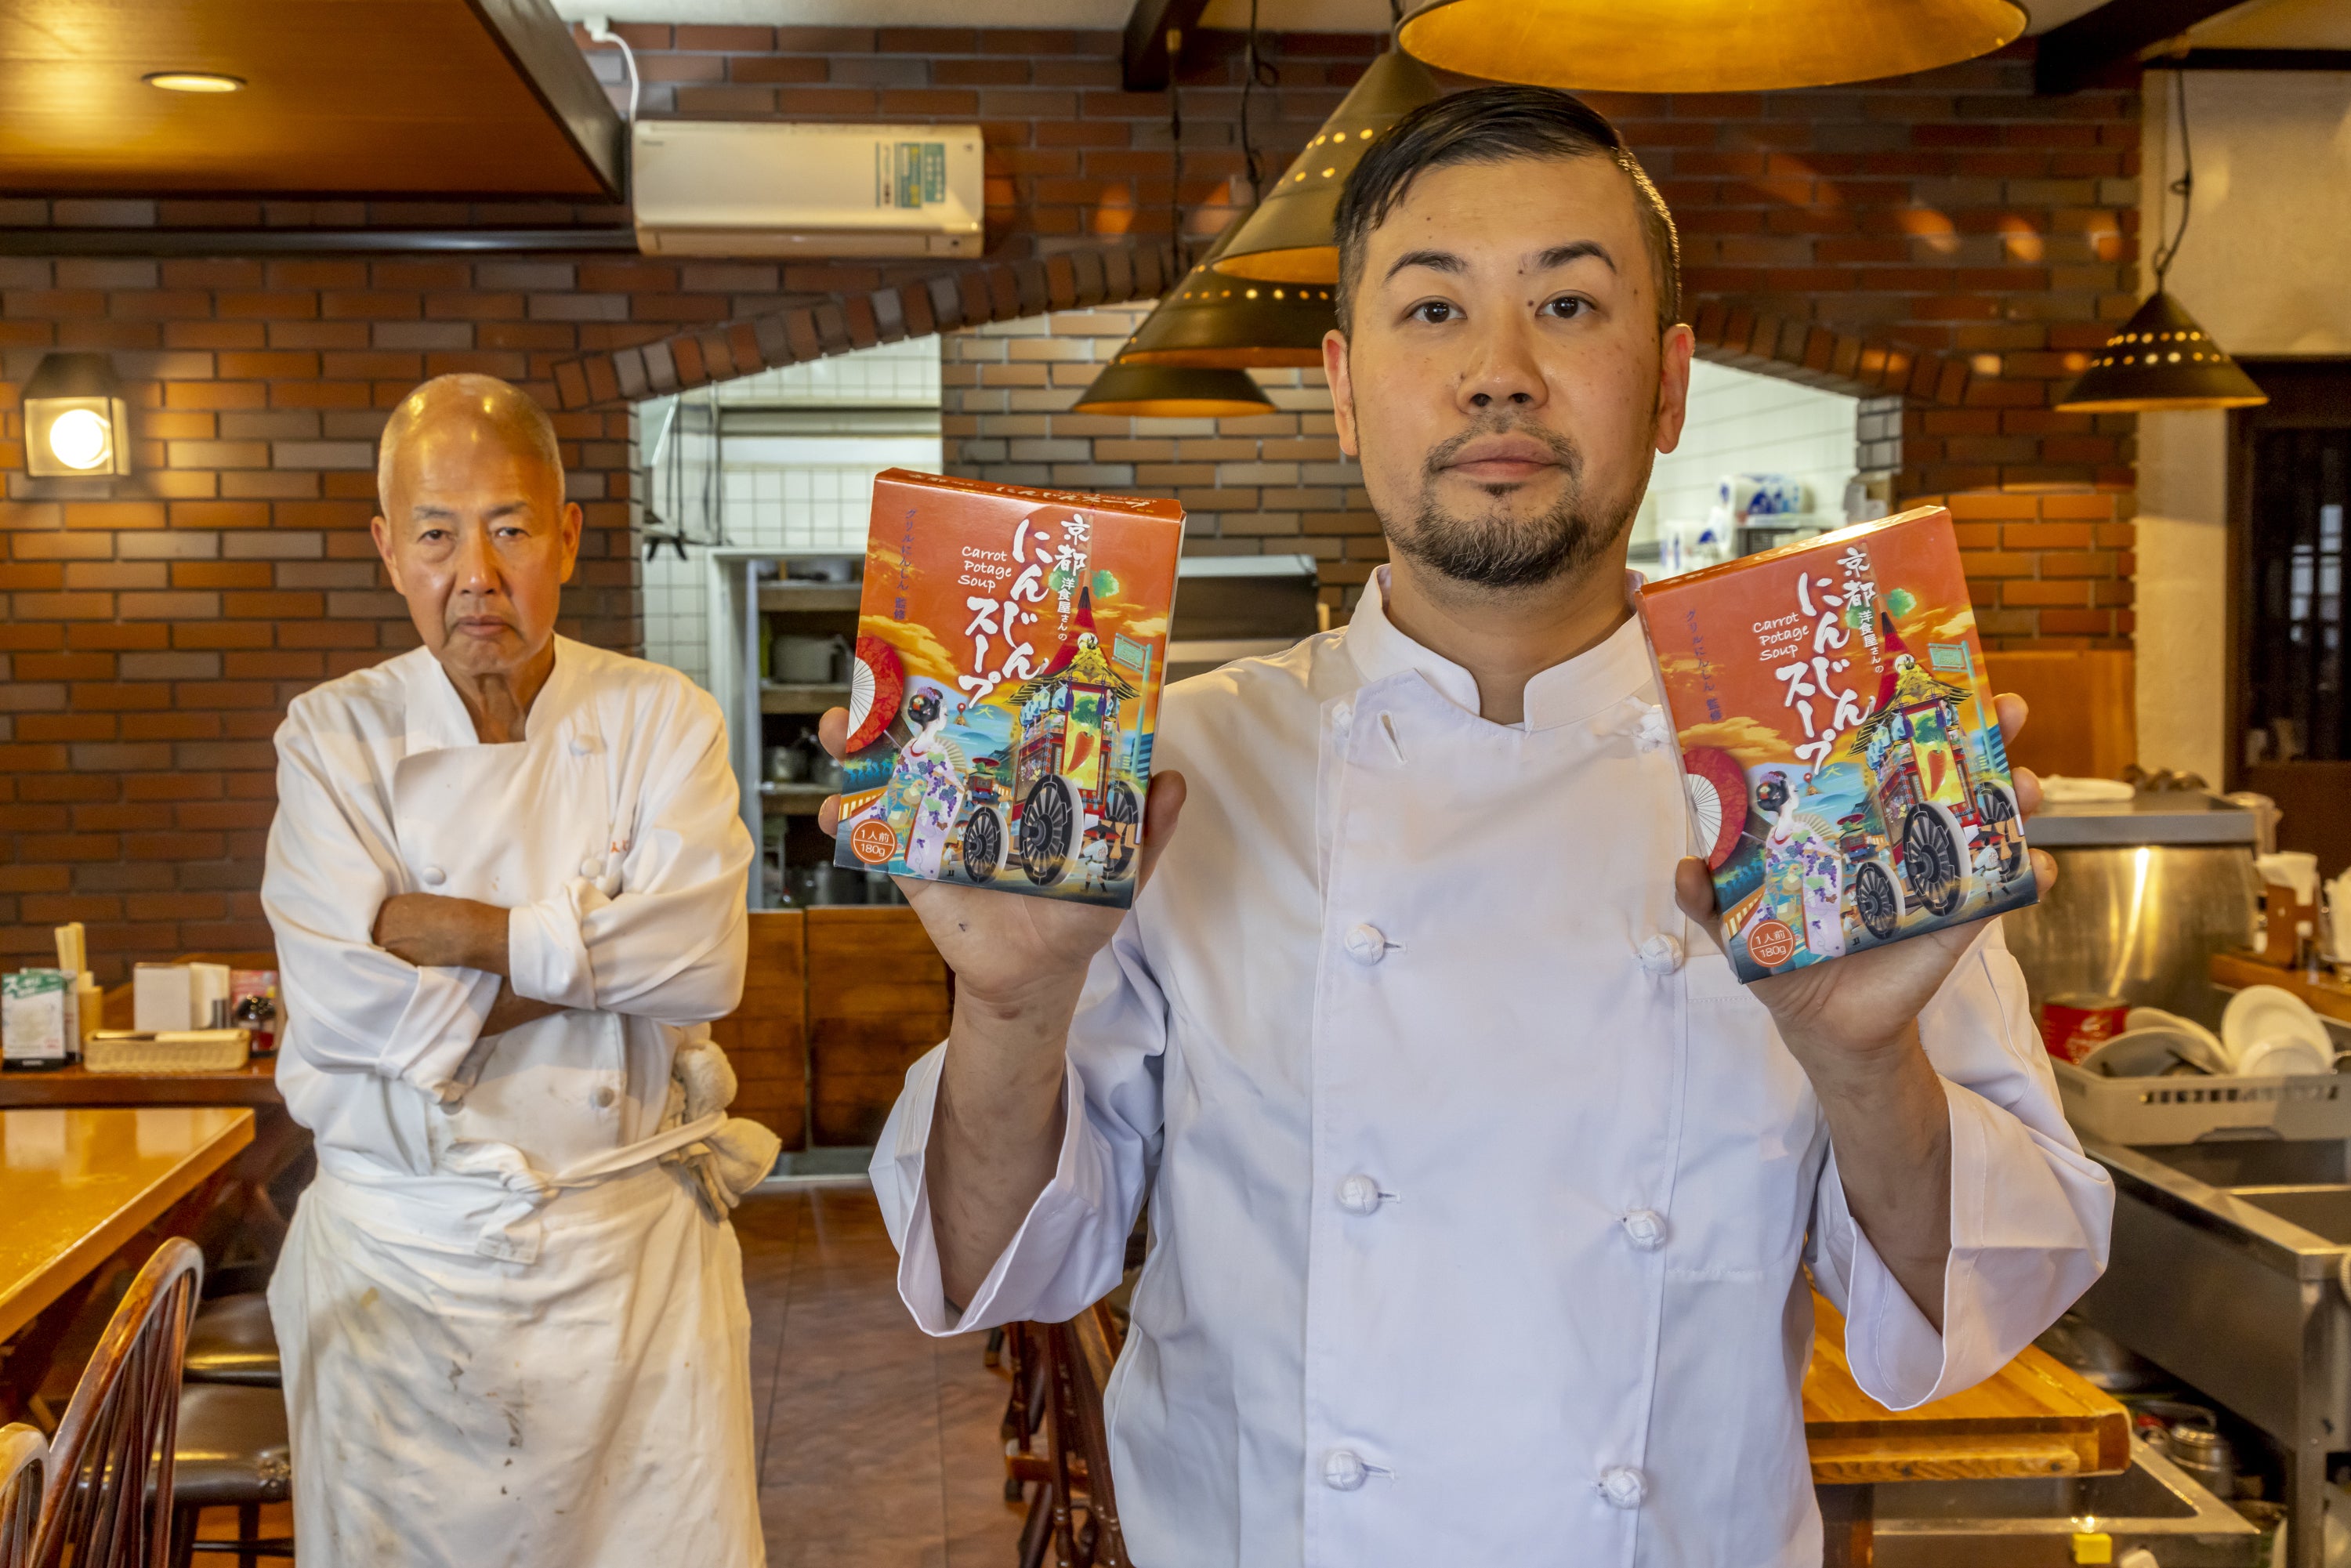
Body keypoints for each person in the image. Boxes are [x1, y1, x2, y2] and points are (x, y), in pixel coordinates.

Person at [831, 88, 2113, 1563]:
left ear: (1670, 383)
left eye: (1568, 304)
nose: (1501, 373)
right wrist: (1007, 1005)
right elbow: (993, 1271)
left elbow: (1978, 1297)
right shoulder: (1176, 768)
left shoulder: (1826, 777)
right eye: (1433, 310)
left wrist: (1866, 1063)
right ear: (1344, 386)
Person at [261, 374, 776, 1566]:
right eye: (437, 535)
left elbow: (704, 960)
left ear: (568, 536)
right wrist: (604, 948)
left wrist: (464, 931)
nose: (476, 575)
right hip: (402, 1274)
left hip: (629, 1266)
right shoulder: (331, 737)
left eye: (510, 529)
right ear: (389, 550)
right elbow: (340, 1008)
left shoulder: (662, 717)